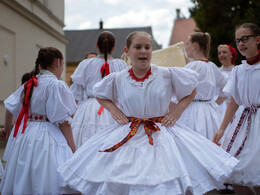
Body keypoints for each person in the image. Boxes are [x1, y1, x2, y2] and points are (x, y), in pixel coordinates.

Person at [58, 31, 238, 195]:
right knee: (125, 178)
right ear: (127, 51)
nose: (143, 51)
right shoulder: (119, 78)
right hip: (128, 133)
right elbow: (99, 93)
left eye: (147, 47)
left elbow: (191, 89)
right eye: (138, 47)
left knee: (159, 180)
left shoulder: (166, 74)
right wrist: (113, 110)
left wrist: (177, 111)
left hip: (160, 134)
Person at [0, 47, 77, 194]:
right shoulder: (56, 84)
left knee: (24, 173)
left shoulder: (30, 83)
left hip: (26, 134)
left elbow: (9, 106)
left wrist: (8, 131)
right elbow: (64, 122)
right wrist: (73, 149)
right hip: (47, 136)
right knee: (46, 173)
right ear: (58, 62)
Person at [213, 23, 260, 195]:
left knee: (256, 171)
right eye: (238, 40)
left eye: (245, 39)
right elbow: (234, 102)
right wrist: (222, 129)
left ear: (258, 39)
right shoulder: (239, 71)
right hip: (244, 122)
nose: (241, 43)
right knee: (234, 170)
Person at [70, 31, 127, 148]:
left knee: (85, 144)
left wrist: (71, 115)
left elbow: (75, 93)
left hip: (88, 109)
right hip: (114, 109)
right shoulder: (121, 65)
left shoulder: (86, 64)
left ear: (97, 45)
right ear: (114, 47)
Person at [175, 32, 228, 141]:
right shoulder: (212, 66)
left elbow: (178, 90)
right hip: (209, 111)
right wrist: (216, 102)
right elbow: (226, 85)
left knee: (193, 143)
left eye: (187, 44)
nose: (186, 47)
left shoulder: (192, 66)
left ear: (194, 45)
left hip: (192, 111)